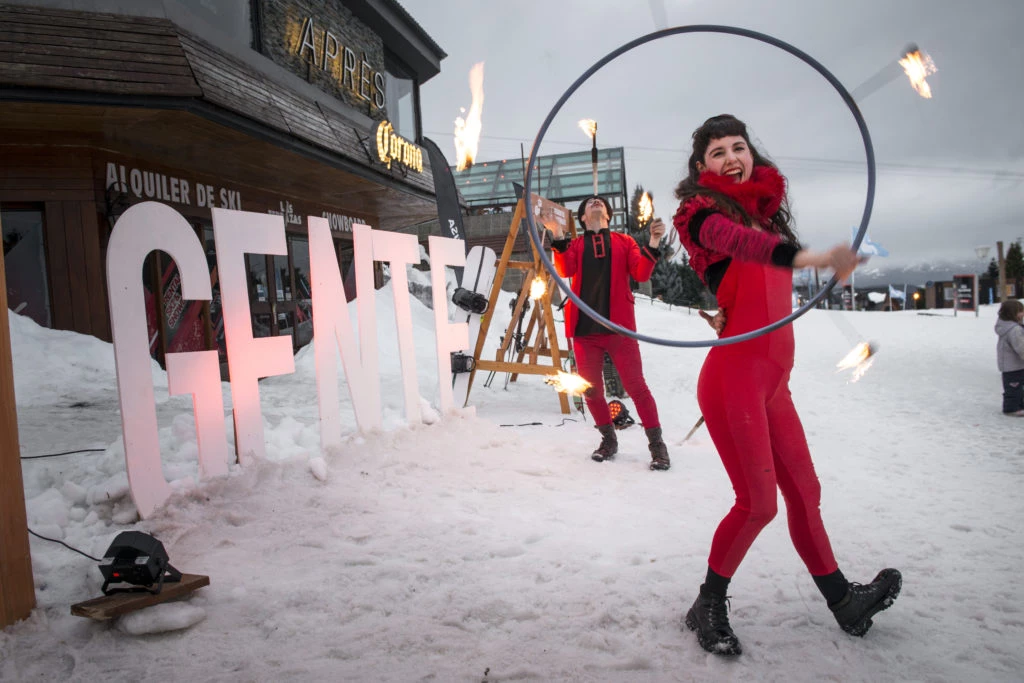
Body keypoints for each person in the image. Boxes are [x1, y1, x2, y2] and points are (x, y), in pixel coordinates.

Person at [671, 114, 901, 655]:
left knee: (805, 492)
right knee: (757, 504)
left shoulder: (767, 220)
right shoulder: (699, 213)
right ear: (702, 167)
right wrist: (814, 256)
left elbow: (766, 263)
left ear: (751, 153)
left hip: (775, 383)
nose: (731, 158)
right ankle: (707, 603)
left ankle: (844, 600)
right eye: (717, 152)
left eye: (738, 147)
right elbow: (740, 247)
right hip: (733, 383)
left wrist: (822, 263)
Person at [543, 195, 670, 471]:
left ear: (609, 215)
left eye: (600, 202)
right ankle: (608, 440)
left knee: (637, 387)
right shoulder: (575, 244)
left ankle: (657, 446)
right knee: (591, 390)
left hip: (619, 328)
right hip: (585, 330)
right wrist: (557, 235)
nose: (596, 203)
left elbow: (642, 273)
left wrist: (654, 242)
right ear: (584, 218)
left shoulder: (625, 242)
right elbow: (565, 269)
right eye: (590, 203)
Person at [994, 299, 1024, 416]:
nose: (1023, 314)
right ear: (1012, 313)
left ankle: (1019, 405)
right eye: (1020, 311)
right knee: (1014, 387)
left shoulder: (1006, 326)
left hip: (1011, 364)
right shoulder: (1014, 330)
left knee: (1016, 386)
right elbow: (1021, 347)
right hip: (1013, 365)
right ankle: (1011, 408)